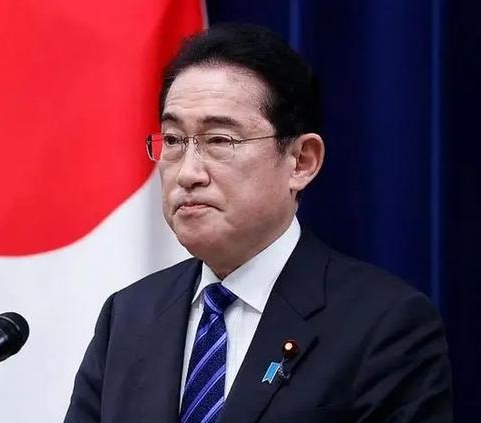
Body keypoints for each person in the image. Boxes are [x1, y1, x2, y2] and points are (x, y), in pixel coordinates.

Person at [64, 23, 452, 423]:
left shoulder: (384, 324)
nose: (188, 173)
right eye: (174, 140)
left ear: (301, 161)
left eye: (219, 141)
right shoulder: (128, 317)